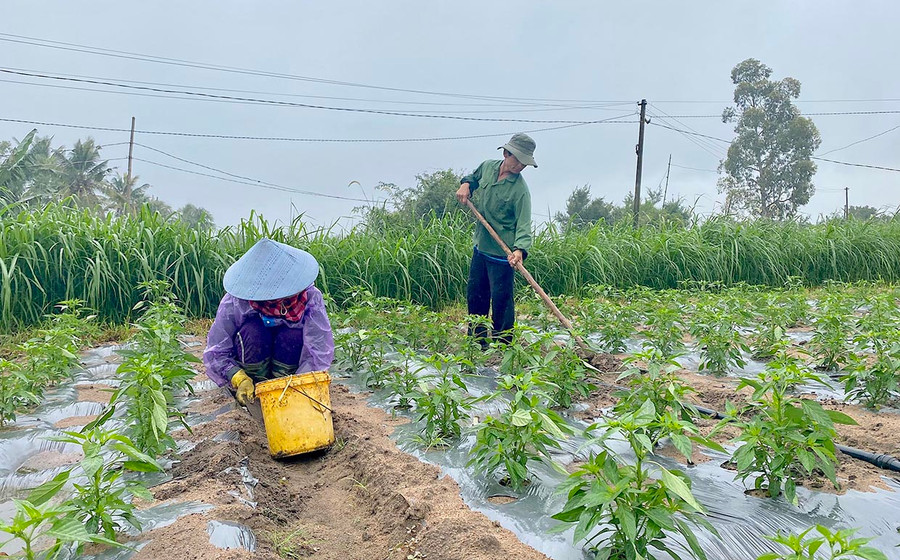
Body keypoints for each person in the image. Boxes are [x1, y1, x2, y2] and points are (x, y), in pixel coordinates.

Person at [203, 238, 334, 406]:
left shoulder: (309, 298)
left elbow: (318, 350)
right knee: (253, 331)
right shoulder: (236, 301)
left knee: (293, 335)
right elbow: (217, 351)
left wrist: (299, 383)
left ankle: (283, 384)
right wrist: (238, 377)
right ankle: (256, 386)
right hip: (251, 362)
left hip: (291, 368)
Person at [455, 133, 536, 346]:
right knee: (476, 296)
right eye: (517, 160)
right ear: (505, 153)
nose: (520, 166)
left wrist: (519, 250)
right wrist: (466, 185)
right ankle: (477, 342)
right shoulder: (488, 167)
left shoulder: (520, 190)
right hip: (481, 246)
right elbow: (473, 178)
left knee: (502, 301)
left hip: (503, 254)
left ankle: (503, 345)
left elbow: (524, 224)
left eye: (524, 163)